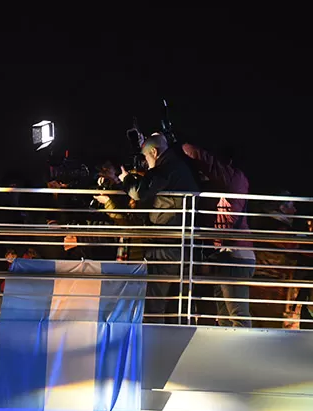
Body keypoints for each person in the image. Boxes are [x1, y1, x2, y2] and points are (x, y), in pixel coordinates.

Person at [127, 134, 199, 323]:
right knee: (174, 303)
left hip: (165, 244)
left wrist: (125, 179)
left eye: (146, 157)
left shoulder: (165, 168)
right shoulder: (179, 166)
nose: (146, 162)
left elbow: (138, 193)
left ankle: (151, 345)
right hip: (179, 242)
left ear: (154, 152)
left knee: (154, 302)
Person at [183, 143, 255, 327]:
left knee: (237, 316)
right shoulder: (232, 184)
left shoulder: (234, 179)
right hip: (227, 257)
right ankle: (229, 354)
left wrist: (180, 145)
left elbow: (207, 162)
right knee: (225, 317)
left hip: (234, 257)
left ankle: (241, 354)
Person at [251, 194, 303, 329]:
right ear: (282, 208)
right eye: (292, 206)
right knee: (270, 328)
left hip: (258, 285)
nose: (295, 211)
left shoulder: (261, 224)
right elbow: (293, 247)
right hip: (270, 287)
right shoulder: (277, 229)